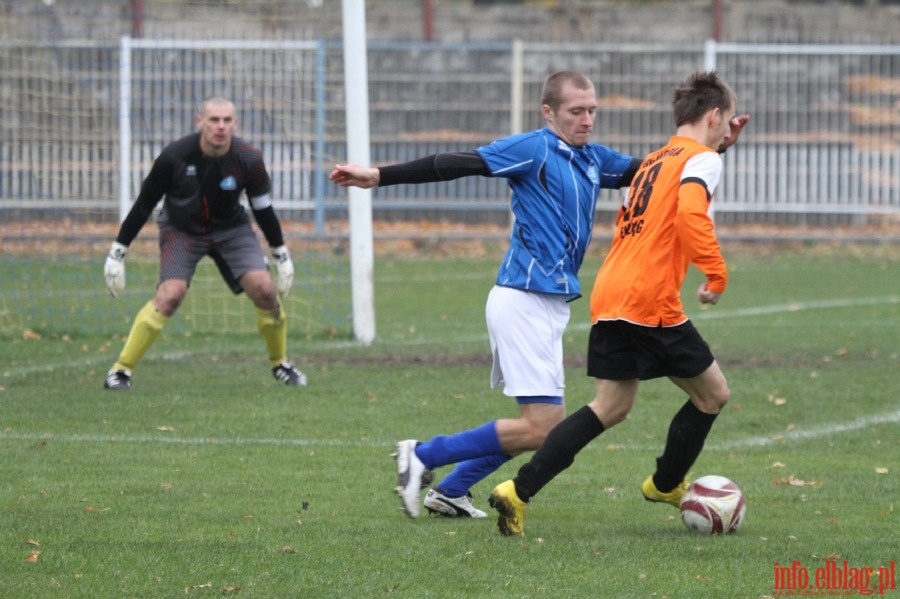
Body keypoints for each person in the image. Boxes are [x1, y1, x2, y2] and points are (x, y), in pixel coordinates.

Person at [331, 71, 744, 519]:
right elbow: (458, 162)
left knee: (548, 423)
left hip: (551, 304)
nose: (587, 120)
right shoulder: (534, 149)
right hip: (522, 296)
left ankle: (452, 489)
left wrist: (717, 143)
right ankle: (424, 454)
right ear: (548, 112)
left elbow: (666, 171)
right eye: (576, 112)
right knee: (544, 424)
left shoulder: (592, 159)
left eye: (592, 111)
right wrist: (379, 175)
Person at [487, 71, 750, 537]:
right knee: (714, 395)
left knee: (609, 407)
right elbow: (690, 210)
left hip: (611, 292)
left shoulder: (652, 161)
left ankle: (516, 491)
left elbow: (661, 200)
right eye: (724, 122)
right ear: (715, 117)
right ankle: (665, 484)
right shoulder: (703, 159)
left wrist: (720, 143)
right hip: (649, 298)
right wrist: (716, 272)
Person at [102, 96, 307, 390]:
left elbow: (263, 209)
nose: (220, 127)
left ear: (235, 124)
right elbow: (145, 204)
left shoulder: (249, 159)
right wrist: (117, 253)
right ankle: (120, 371)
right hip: (181, 230)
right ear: (200, 122)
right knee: (170, 295)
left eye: (227, 120)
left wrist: (281, 255)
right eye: (214, 120)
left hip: (232, 230)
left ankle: (281, 364)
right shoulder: (174, 156)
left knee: (264, 289)